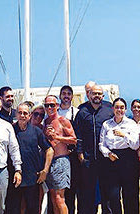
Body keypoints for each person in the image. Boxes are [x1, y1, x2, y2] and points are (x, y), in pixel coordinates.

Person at [73, 85, 114, 214]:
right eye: (94, 93)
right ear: (89, 95)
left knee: (106, 193)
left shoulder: (108, 111)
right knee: (88, 196)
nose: (96, 96)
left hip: (105, 160)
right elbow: (78, 135)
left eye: (99, 94)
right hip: (88, 159)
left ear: (103, 96)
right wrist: (80, 156)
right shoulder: (82, 112)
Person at [6, 103, 53, 214]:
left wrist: (45, 171)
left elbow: (49, 150)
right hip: (13, 178)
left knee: (32, 210)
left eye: (25, 113)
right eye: (20, 113)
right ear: (16, 114)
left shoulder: (36, 131)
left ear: (29, 115)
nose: (22, 115)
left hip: (32, 179)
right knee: (13, 209)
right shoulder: (9, 130)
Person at [98, 97, 140, 214]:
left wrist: (124, 135)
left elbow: (136, 145)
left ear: (125, 109)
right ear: (113, 109)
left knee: (130, 194)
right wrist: (108, 153)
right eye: (117, 107)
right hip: (112, 159)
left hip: (128, 158)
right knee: (113, 195)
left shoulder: (131, 124)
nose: (119, 110)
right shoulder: (107, 124)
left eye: (122, 107)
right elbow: (101, 144)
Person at [44, 95, 77, 214]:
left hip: (61, 160)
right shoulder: (46, 122)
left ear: (57, 106)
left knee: (59, 198)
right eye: (47, 105)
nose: (49, 108)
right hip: (49, 163)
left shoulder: (62, 120)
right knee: (53, 197)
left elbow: (74, 139)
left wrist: (57, 137)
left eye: (52, 105)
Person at [57, 85, 79, 214]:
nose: (66, 96)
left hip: (72, 156)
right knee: (57, 191)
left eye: (68, 94)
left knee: (71, 189)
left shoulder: (76, 113)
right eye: (63, 93)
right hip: (58, 156)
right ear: (60, 96)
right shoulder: (55, 112)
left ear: (72, 96)